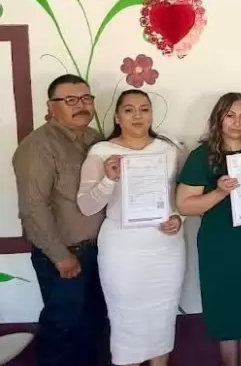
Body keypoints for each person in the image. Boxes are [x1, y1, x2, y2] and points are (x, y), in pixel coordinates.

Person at [76, 89, 186, 366]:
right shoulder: (102, 152)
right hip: (122, 251)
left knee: (163, 318)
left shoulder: (169, 149)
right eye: (129, 110)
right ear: (117, 116)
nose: (137, 116)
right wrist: (109, 179)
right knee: (127, 320)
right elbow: (86, 206)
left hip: (166, 247)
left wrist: (179, 218)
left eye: (144, 109)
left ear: (152, 114)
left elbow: (184, 196)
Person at [176, 92, 241, 366]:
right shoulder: (203, 155)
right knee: (227, 314)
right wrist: (220, 192)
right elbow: (184, 205)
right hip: (220, 246)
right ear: (218, 118)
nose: (237, 122)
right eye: (230, 116)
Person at [12, 74, 106, 366]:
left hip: (99, 253)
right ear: (51, 107)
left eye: (86, 98)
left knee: (94, 325)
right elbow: (33, 208)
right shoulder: (38, 146)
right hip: (65, 256)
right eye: (70, 100)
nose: (81, 105)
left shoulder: (96, 140)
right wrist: (60, 256)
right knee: (63, 330)